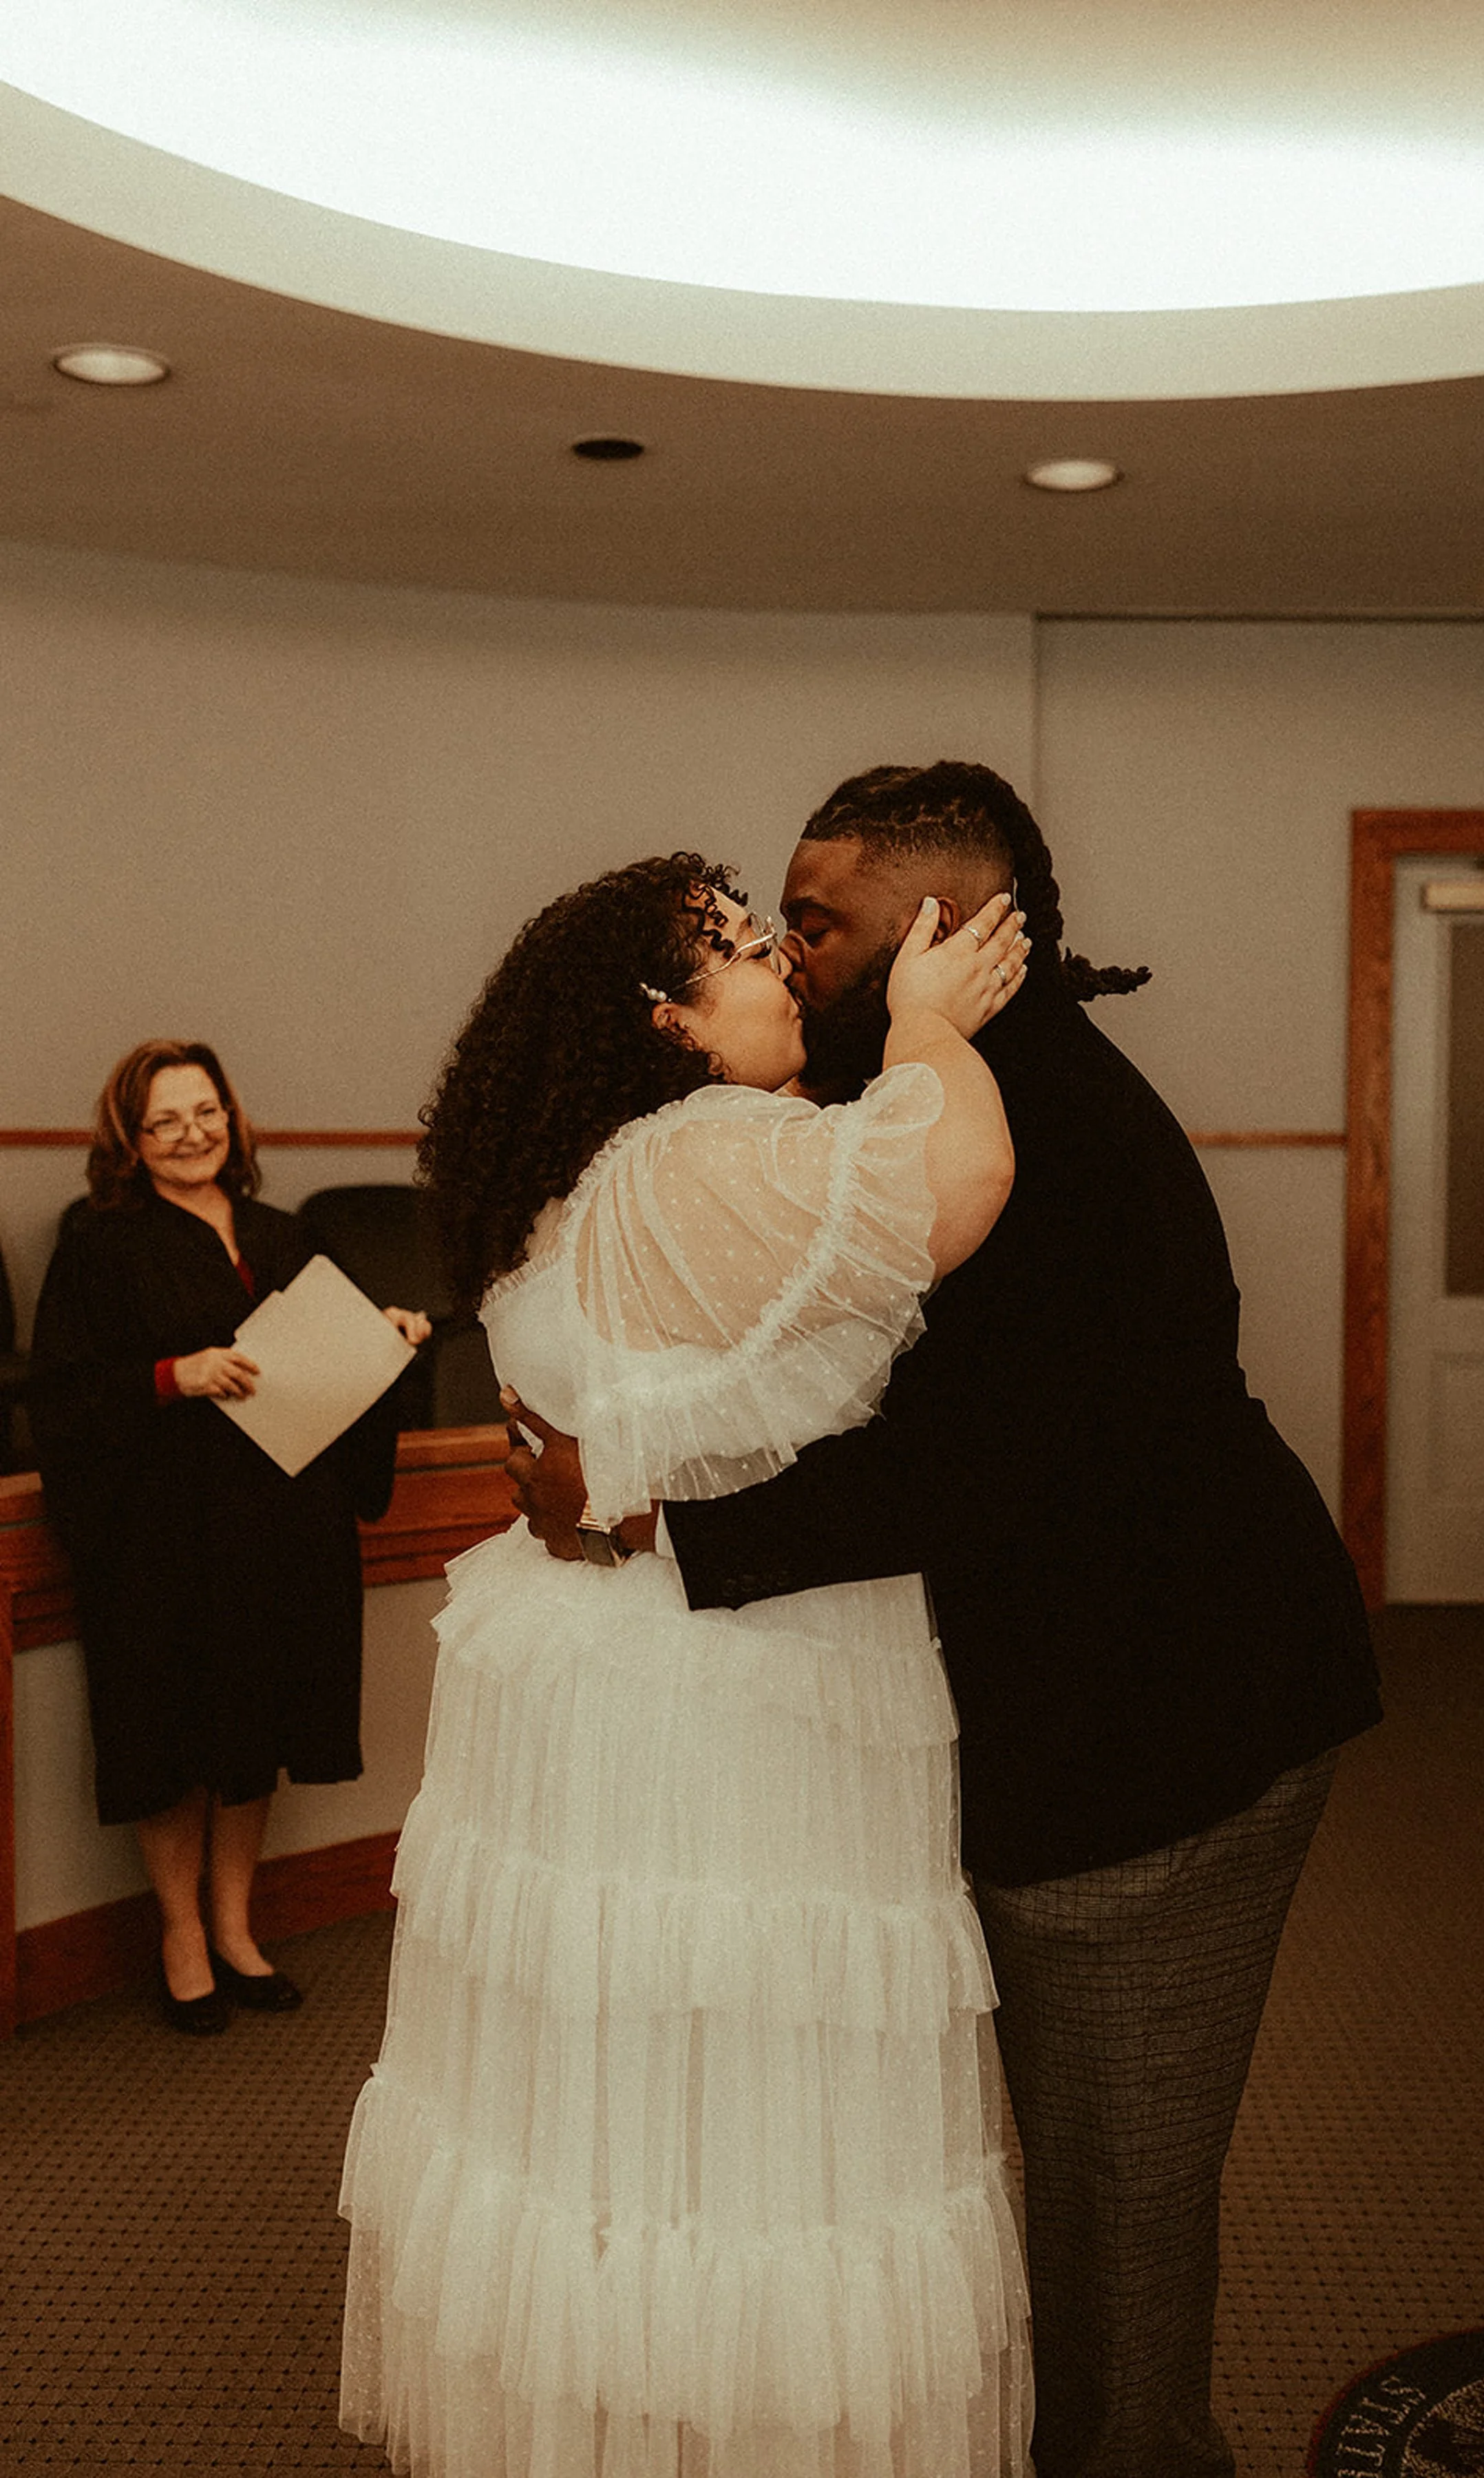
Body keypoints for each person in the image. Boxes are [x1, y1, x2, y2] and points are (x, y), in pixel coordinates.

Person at [507, 764, 1385, 2478]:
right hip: (1086, 1702)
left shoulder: (1039, 1123)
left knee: (1117, 2204)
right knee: (1058, 2176)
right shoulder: (947, 1087)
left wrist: (647, 1506)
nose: (788, 949)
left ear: (938, 928)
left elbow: (980, 1470)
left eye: (814, 921)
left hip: (1171, 1743)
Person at [339, 852, 1035, 2478]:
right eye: (737, 948)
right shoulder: (702, 1146)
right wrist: (929, 1021)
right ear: (667, 1023)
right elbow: (957, 1183)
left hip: (614, 1666)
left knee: (621, 2089)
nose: (783, 967)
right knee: (746, 2105)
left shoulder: (583, 1180)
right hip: (729, 1693)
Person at [30, 1040, 430, 2035]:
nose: (191, 1134)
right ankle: (178, 1935)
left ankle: (236, 1925)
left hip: (274, 1524)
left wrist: (387, 1335)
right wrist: (177, 1375)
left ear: (231, 1117)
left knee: (253, 1727)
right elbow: (61, 1395)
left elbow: (336, 1361)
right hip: (159, 1531)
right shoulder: (99, 1243)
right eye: (165, 1120)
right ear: (130, 1136)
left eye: (205, 1112)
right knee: (169, 1731)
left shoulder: (281, 1232)